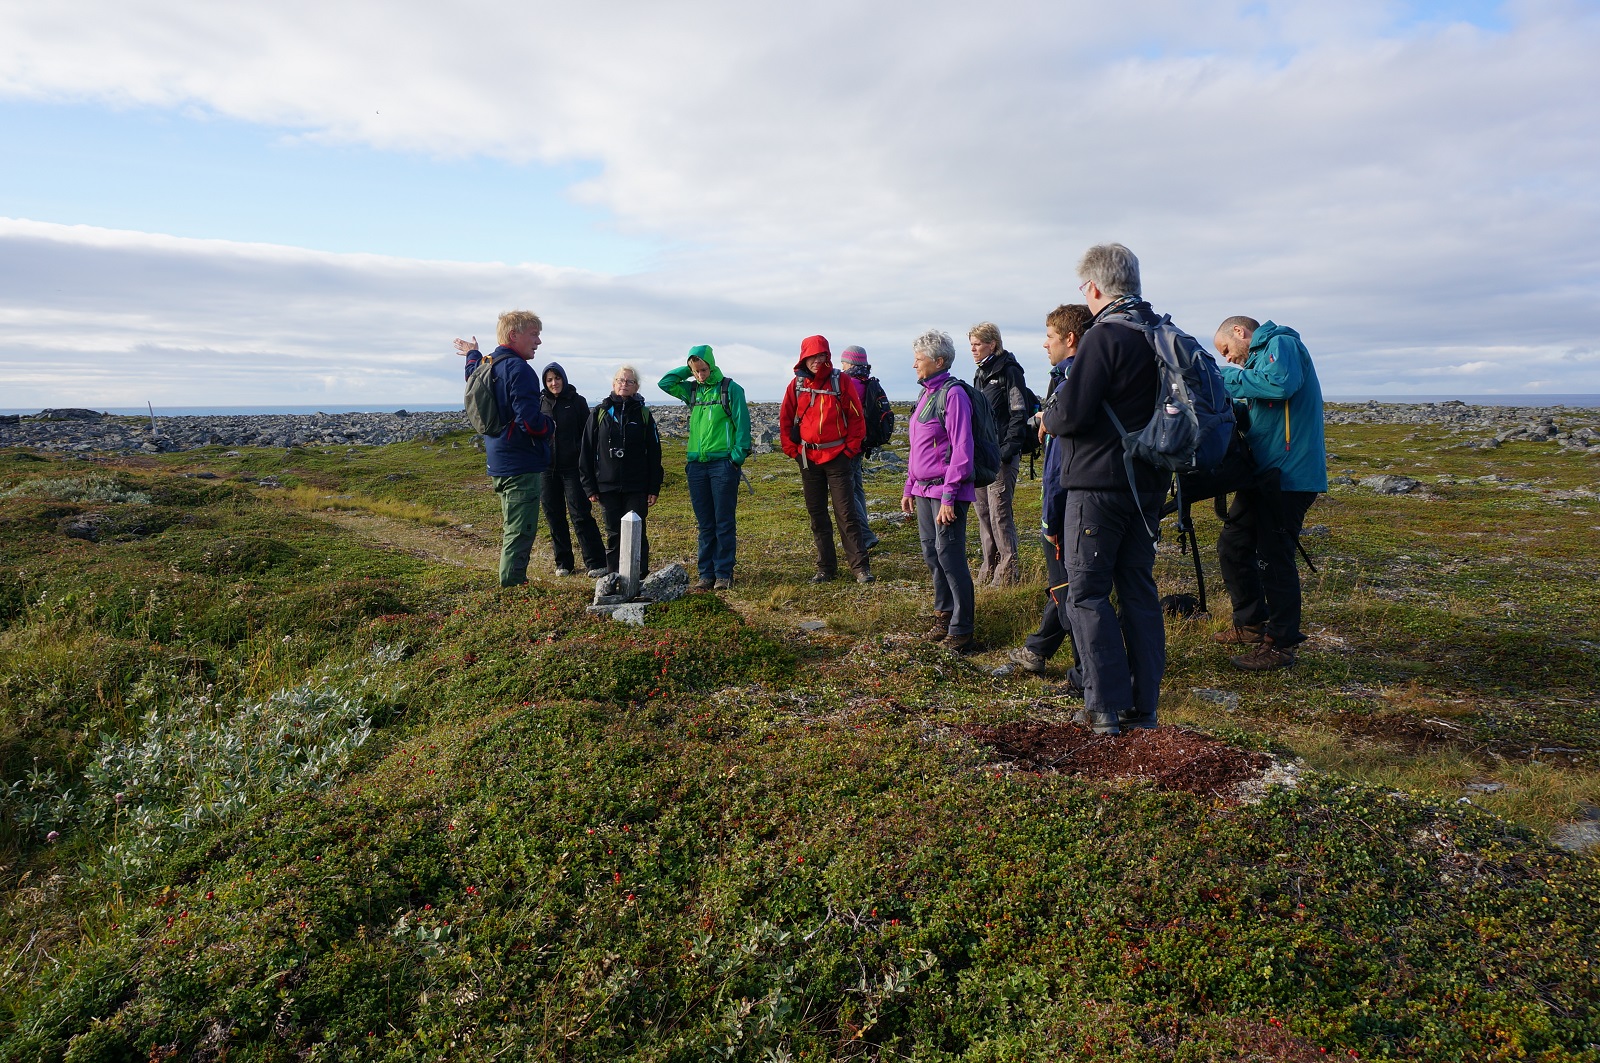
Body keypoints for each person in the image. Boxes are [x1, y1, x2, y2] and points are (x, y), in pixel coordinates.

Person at [1041, 244, 1171, 734]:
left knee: (1088, 593)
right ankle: (1145, 707)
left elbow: (1070, 413)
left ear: (1094, 287)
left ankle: (1104, 707)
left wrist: (1047, 415)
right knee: (1138, 588)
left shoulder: (1102, 338)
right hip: (1148, 487)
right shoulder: (1161, 333)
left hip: (1096, 484)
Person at [1212, 316, 1327, 671]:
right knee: (1233, 545)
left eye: (1227, 351)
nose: (1230, 359)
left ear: (1240, 332)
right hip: (1264, 476)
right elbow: (1262, 407)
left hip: (1289, 477)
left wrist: (1220, 378)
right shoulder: (1259, 362)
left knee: (1273, 557)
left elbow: (1279, 387)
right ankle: (1249, 625)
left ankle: (1281, 643)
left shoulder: (1282, 343)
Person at [1010, 304, 1094, 676]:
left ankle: (1084, 674)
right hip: (1107, 499)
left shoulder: (1070, 385)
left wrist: (1050, 518)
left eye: (1050, 337)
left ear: (1070, 339)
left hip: (1073, 506)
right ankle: (1037, 650)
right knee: (1071, 586)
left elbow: (1060, 465)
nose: (1045, 345)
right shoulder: (1097, 378)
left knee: (1068, 590)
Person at [453, 312, 553, 588]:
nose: (539, 341)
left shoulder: (488, 364)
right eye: (534, 334)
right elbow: (530, 423)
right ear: (514, 336)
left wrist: (472, 353)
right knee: (520, 531)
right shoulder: (520, 370)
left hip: (499, 461)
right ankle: (512, 588)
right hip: (520, 463)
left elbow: (471, 374)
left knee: (513, 527)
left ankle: (512, 583)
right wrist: (550, 426)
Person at [902, 330, 978, 652]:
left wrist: (949, 495)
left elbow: (962, 449)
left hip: (947, 495)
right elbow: (917, 448)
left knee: (950, 557)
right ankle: (943, 615)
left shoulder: (953, 395)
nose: (914, 364)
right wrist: (909, 486)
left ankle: (962, 629)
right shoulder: (924, 395)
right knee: (932, 555)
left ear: (939, 361)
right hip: (923, 491)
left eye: (919, 359)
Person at [779, 335, 873, 583]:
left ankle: (860, 568)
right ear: (804, 358)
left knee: (847, 513)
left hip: (838, 458)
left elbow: (856, 417)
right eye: (814, 356)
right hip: (808, 458)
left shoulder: (841, 381)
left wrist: (850, 450)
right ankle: (826, 568)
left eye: (823, 355)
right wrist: (792, 450)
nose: (819, 360)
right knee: (817, 514)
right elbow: (786, 419)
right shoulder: (796, 385)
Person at [658, 344, 751, 590]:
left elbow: (743, 426)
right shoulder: (693, 390)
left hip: (723, 465)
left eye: (703, 369)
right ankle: (706, 574)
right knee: (705, 522)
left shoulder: (731, 389)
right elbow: (665, 383)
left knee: (723, 520)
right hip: (696, 466)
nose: (700, 375)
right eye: (696, 371)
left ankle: (723, 573)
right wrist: (688, 368)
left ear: (712, 364)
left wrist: (736, 458)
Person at [579, 365, 664, 575]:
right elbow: (586, 451)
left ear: (636, 387)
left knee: (637, 531)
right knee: (614, 533)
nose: (624, 385)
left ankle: (640, 576)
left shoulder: (644, 415)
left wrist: (653, 487)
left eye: (629, 382)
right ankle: (615, 576)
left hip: (637, 485)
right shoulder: (599, 413)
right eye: (620, 380)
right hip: (607, 485)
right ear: (613, 384)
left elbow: (654, 453)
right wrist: (590, 487)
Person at [969, 322, 1032, 586]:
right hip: (983, 455)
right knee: (983, 511)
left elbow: (1019, 413)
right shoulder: (979, 373)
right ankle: (989, 568)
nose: (973, 349)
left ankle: (1007, 574)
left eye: (978, 344)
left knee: (999, 512)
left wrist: (1007, 451)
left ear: (992, 343)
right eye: (971, 345)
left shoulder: (1010, 371)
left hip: (1002, 456)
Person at [539, 362, 607, 578]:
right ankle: (564, 563)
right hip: (546, 470)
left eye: (557, 378)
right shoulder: (540, 403)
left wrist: (588, 465)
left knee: (580, 515)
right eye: (549, 380)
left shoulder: (577, 402)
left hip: (573, 469)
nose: (553, 383)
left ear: (564, 379)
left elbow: (588, 437)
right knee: (554, 516)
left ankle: (596, 562)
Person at [840, 345, 886, 551]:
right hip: (862, 444)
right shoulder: (867, 382)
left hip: (850, 444)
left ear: (851, 363)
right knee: (857, 489)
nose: (841, 367)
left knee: (847, 491)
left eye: (843, 363)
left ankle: (864, 536)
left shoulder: (849, 384)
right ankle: (862, 532)